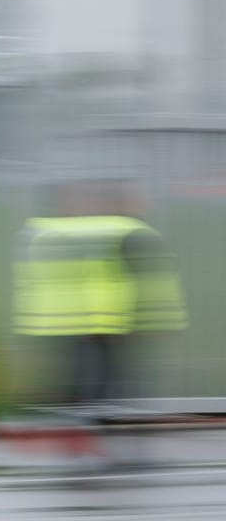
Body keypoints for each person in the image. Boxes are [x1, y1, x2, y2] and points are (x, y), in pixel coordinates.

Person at [12, 178, 187, 470]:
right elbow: (147, 282)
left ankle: (80, 445)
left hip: (60, 321)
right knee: (109, 387)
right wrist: (156, 319)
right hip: (109, 322)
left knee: (82, 385)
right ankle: (107, 448)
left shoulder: (48, 231)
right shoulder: (126, 231)